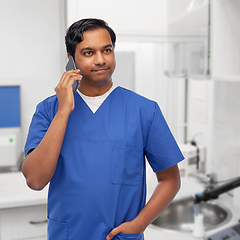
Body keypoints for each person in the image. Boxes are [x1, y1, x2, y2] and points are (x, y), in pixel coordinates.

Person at [22, 18, 184, 240]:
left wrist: (139, 223)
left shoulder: (144, 110)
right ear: (71, 61)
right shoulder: (49, 111)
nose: (100, 60)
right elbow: (35, 180)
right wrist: (63, 112)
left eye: (106, 50)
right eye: (88, 53)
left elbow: (170, 179)